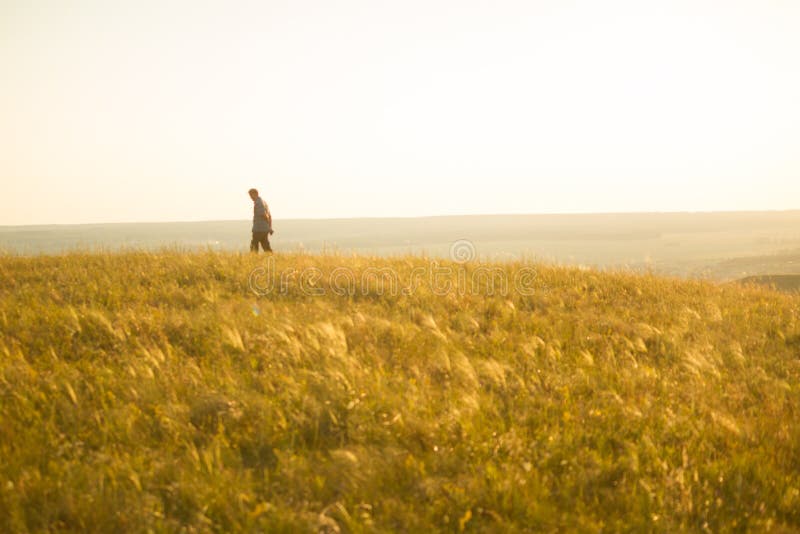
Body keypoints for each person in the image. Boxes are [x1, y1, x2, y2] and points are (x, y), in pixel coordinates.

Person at [248, 188, 273, 253]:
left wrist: (269, 226)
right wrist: (269, 227)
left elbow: (263, 215)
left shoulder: (258, 203)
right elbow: (269, 216)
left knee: (254, 245)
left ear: (255, 194)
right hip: (264, 229)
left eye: (251, 195)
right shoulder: (263, 202)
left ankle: (253, 259)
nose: (250, 197)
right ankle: (272, 258)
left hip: (259, 228)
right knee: (266, 246)